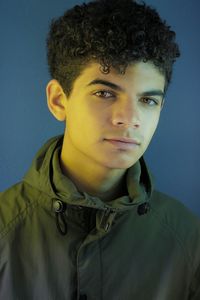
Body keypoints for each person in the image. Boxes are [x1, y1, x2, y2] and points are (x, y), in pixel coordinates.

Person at [0, 0, 199, 299]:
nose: (130, 119)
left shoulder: (189, 239)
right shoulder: (4, 229)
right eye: (104, 93)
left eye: (148, 100)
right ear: (58, 100)